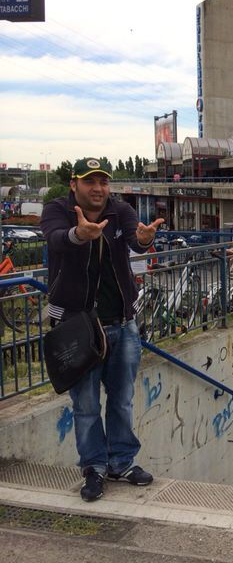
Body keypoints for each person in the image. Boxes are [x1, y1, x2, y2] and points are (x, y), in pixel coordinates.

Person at [40, 158, 164, 502]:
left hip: (122, 324)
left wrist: (144, 240)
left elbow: (136, 239)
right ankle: (93, 467)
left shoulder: (119, 209)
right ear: (74, 184)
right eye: (89, 181)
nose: (98, 189)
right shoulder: (57, 210)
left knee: (122, 400)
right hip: (76, 327)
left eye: (103, 182)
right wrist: (79, 234)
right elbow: (56, 239)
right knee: (86, 405)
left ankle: (121, 462)